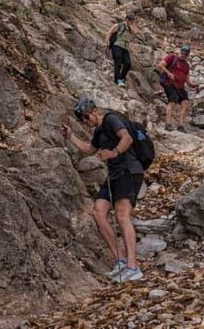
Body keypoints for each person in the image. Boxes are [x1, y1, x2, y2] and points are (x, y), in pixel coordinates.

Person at [60, 97, 145, 282]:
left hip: (129, 171)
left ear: (95, 111)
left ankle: (133, 267)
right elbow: (89, 149)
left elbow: (127, 138)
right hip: (114, 176)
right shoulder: (99, 132)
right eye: (82, 119)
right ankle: (120, 260)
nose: (85, 121)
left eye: (86, 116)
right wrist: (70, 136)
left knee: (122, 216)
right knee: (98, 212)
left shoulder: (110, 120)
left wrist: (114, 152)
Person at [158, 44, 199, 132]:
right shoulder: (172, 57)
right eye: (182, 53)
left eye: (186, 54)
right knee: (172, 101)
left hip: (180, 87)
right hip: (169, 83)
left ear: (188, 55)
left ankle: (180, 125)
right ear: (180, 52)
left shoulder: (187, 65)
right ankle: (168, 124)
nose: (183, 55)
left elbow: (187, 81)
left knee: (185, 104)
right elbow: (161, 65)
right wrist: (168, 73)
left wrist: (193, 85)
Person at [105, 14, 139, 87]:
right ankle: (117, 80)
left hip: (125, 48)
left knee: (128, 63)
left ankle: (122, 78)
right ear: (127, 20)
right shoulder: (118, 25)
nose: (131, 22)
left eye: (132, 21)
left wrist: (133, 25)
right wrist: (107, 42)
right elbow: (110, 32)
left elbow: (136, 33)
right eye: (130, 21)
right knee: (118, 63)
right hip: (116, 46)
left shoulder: (129, 28)